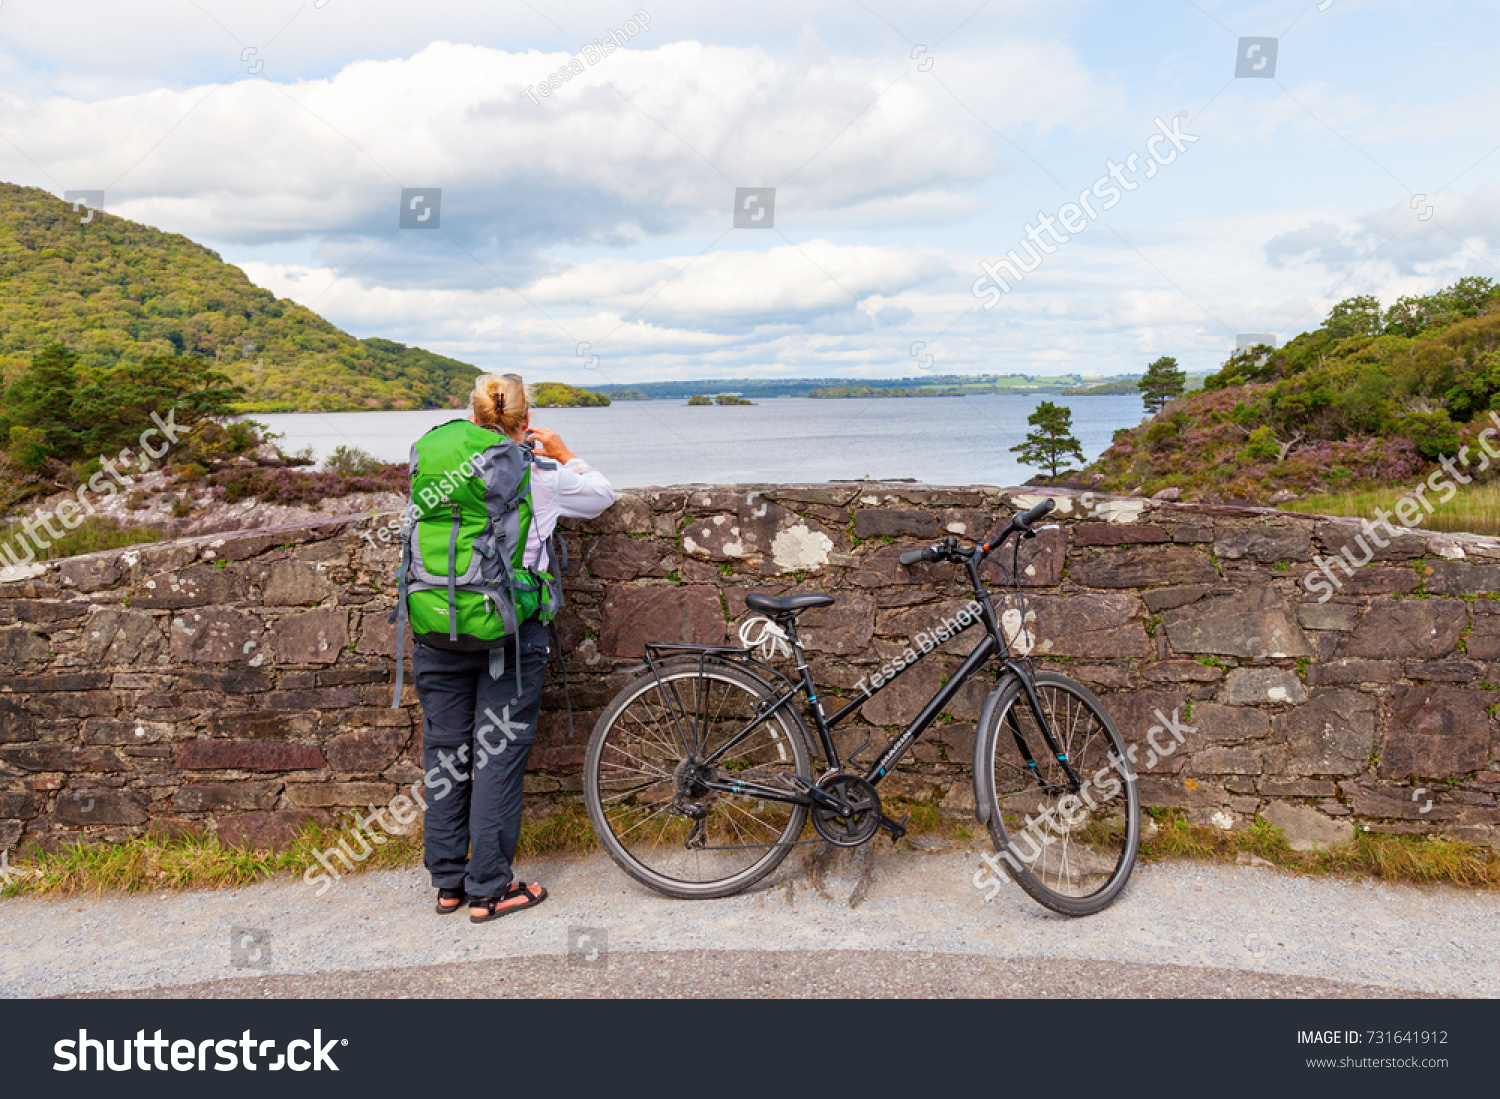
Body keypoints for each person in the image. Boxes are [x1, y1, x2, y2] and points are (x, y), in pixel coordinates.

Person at [409, 373, 614, 922]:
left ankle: (448, 883)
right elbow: (601, 497)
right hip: (510, 633)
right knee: (496, 758)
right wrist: (563, 450)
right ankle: (489, 889)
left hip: (437, 626)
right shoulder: (540, 473)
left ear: (472, 419)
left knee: (445, 757)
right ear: (525, 421)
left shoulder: (436, 470)